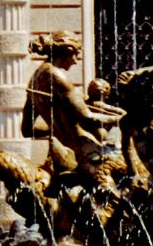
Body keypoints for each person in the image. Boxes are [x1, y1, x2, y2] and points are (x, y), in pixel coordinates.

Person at [22, 31, 124, 178]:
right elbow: (87, 117)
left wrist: (55, 129)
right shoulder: (58, 77)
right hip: (85, 149)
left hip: (62, 148)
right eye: (75, 55)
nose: (76, 61)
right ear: (66, 51)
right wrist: (122, 119)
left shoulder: (34, 79)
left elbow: (27, 130)